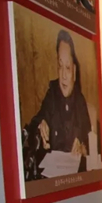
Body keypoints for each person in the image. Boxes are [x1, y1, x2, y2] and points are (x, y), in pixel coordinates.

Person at [23, 29, 91, 179]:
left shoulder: (80, 101)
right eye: (60, 66)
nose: (63, 75)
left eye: (67, 68)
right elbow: (36, 121)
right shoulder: (52, 93)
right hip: (53, 179)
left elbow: (88, 134)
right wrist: (41, 125)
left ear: (74, 71)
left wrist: (82, 145)